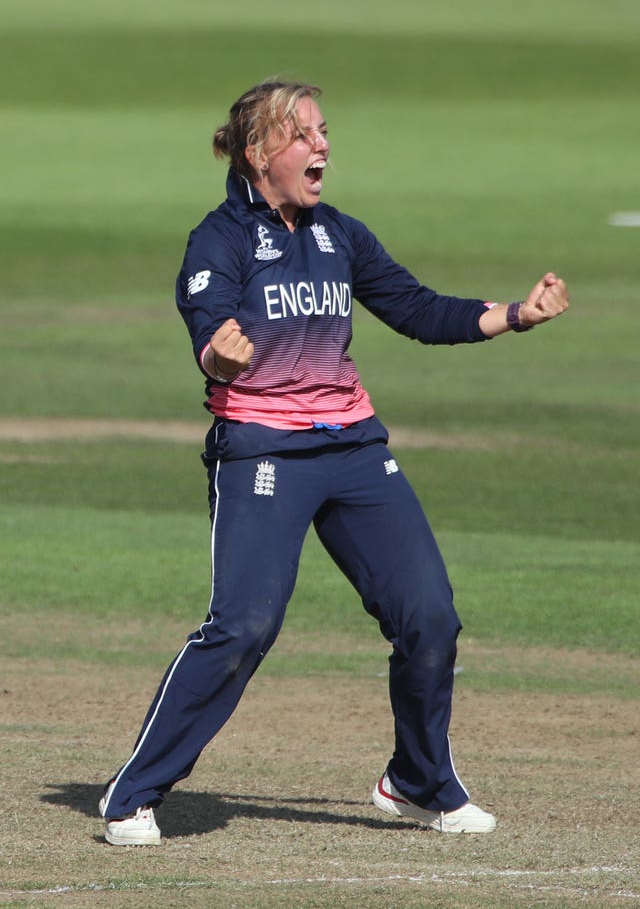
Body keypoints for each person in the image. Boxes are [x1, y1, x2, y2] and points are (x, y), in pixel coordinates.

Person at [98, 79, 569, 845]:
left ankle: (417, 781)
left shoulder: (338, 235)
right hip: (262, 449)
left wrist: (515, 315)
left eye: (324, 132)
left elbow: (418, 309)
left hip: (352, 449)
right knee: (244, 625)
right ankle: (133, 794)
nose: (322, 146)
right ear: (259, 153)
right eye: (305, 135)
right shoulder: (218, 240)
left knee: (430, 617)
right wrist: (219, 356)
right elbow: (209, 340)